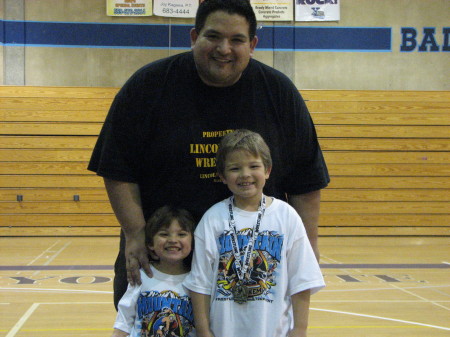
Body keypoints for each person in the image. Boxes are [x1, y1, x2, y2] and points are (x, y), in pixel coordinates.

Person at [88, 0, 329, 309]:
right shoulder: (147, 86)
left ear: (253, 44)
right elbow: (117, 169)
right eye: (213, 37)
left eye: (237, 40)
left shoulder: (279, 93)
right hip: (164, 258)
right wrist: (135, 232)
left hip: (251, 262)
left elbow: (306, 181)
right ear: (193, 37)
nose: (224, 49)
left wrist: (307, 246)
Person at [183, 129, 325, 337]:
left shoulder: (286, 216)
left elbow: (301, 279)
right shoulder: (213, 219)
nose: (245, 174)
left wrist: (300, 328)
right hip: (223, 330)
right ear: (222, 176)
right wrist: (204, 330)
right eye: (234, 168)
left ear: (267, 170)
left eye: (254, 166)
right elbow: (200, 283)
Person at [111, 206, 196, 337]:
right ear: (150, 243)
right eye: (164, 234)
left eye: (181, 234)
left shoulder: (197, 280)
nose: (173, 240)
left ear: (193, 241)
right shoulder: (141, 276)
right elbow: (123, 324)